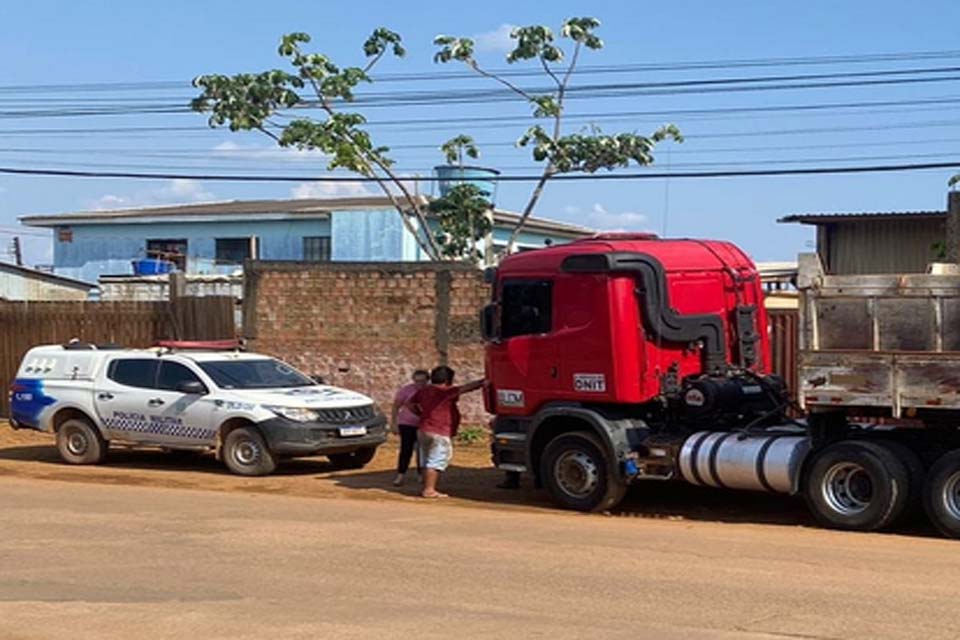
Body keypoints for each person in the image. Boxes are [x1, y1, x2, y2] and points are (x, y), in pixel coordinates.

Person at [407, 365, 485, 499]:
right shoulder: (446, 391)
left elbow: (409, 404)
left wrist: (421, 414)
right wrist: (483, 382)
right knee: (436, 460)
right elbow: (467, 387)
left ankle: (426, 486)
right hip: (439, 430)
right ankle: (429, 490)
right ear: (448, 379)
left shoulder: (425, 391)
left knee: (426, 459)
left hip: (424, 429)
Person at [390, 369, 429, 487]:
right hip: (407, 423)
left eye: (422, 381)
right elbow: (396, 406)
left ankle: (421, 474)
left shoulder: (430, 391)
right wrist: (394, 422)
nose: (419, 384)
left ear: (427, 381)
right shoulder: (406, 390)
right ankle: (401, 475)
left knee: (422, 451)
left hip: (423, 424)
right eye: (417, 381)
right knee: (406, 449)